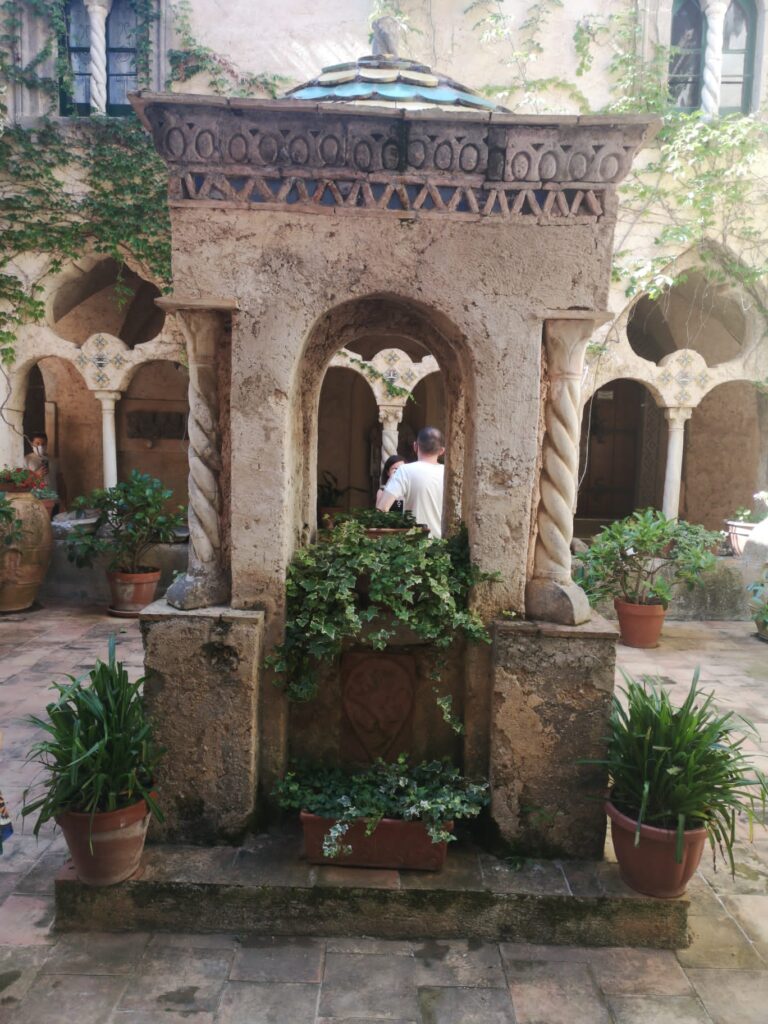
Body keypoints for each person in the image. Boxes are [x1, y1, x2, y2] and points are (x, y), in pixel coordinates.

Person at [377, 426, 445, 539]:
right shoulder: (449, 474)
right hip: (444, 546)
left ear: (415, 446)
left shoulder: (404, 471)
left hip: (413, 546)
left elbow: (382, 508)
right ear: (442, 451)